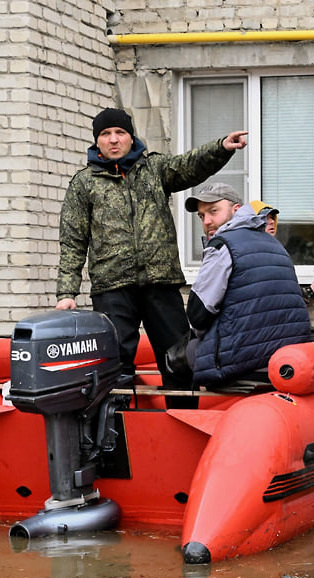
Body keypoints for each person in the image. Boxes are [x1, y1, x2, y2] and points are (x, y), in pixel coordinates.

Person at [55, 107, 248, 403]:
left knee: (179, 358)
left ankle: (184, 421)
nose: (114, 139)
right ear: (97, 142)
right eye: (106, 134)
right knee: (114, 364)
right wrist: (67, 291)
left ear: (131, 137)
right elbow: (73, 240)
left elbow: (189, 165)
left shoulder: (155, 169)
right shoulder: (84, 184)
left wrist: (220, 148)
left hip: (161, 282)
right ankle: (115, 435)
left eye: (120, 132)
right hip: (112, 288)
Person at [178, 185, 312, 387]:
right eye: (201, 216)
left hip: (243, 361)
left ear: (237, 210)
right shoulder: (274, 244)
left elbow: (198, 315)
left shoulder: (222, 245)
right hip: (288, 357)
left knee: (174, 358)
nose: (207, 222)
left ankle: (185, 415)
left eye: (214, 211)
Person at [249, 199, 314, 303]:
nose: (271, 222)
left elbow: (281, 292)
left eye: (272, 218)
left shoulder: (276, 252)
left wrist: (309, 292)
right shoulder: (247, 254)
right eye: (265, 219)